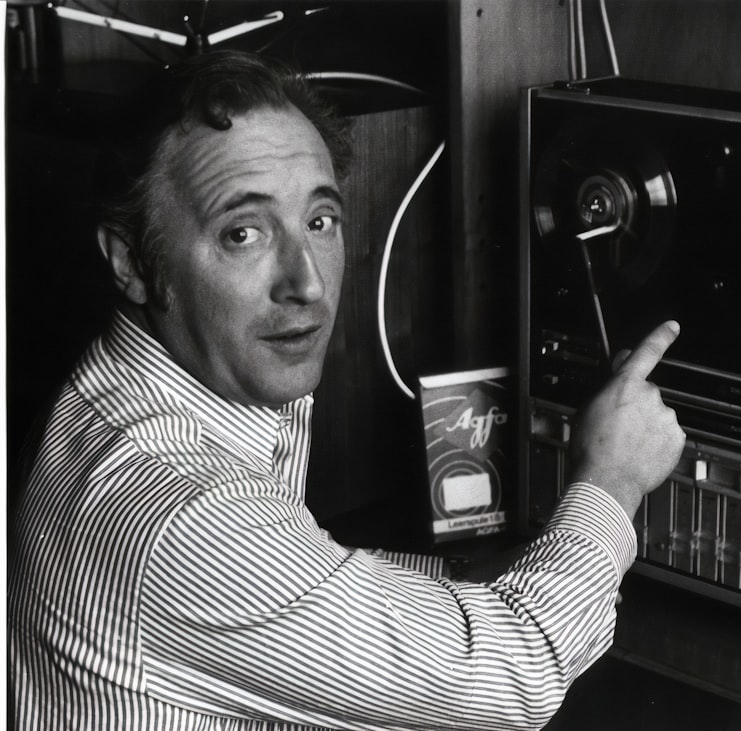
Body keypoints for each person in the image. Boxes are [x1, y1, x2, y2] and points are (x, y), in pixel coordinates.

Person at [8, 50, 686, 730]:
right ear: (131, 260)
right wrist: (612, 480)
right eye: (242, 233)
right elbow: (518, 673)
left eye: (320, 221)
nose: (305, 284)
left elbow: (306, 569)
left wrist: (480, 576)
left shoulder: (118, 396)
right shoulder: (180, 505)